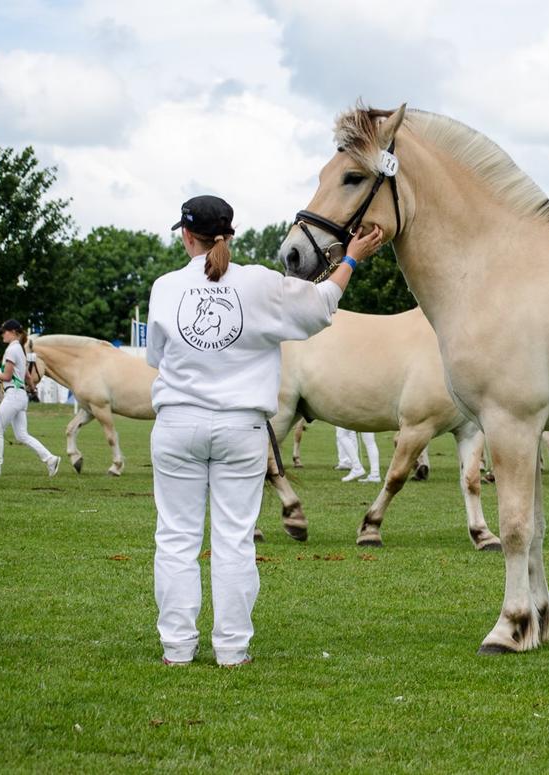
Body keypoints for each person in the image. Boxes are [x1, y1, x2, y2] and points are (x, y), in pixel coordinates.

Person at [147, 194, 382, 667]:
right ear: (229, 235)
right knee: (234, 541)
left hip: (177, 425)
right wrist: (352, 257)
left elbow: (156, 358)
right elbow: (321, 304)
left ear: (186, 236)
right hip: (241, 428)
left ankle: (177, 647)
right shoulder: (260, 284)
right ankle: (232, 650)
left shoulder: (165, 287)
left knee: (176, 539)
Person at [0, 320, 60, 477]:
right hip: (21, 395)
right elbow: (27, 375)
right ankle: (50, 459)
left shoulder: (11, 350)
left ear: (13, 332)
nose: (2, 335)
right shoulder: (20, 350)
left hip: (13, 395)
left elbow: (7, 376)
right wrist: (32, 388)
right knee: (22, 435)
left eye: (4, 332)